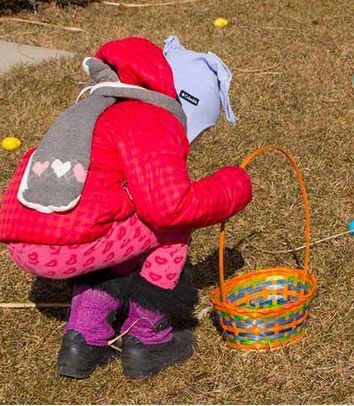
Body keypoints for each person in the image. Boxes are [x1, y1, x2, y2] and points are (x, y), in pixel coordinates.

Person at [0, 36, 252, 379]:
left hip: (22, 238)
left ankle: (82, 339)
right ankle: (148, 339)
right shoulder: (151, 117)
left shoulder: (97, 106)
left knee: (116, 218)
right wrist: (232, 187)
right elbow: (171, 207)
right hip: (68, 244)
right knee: (168, 228)